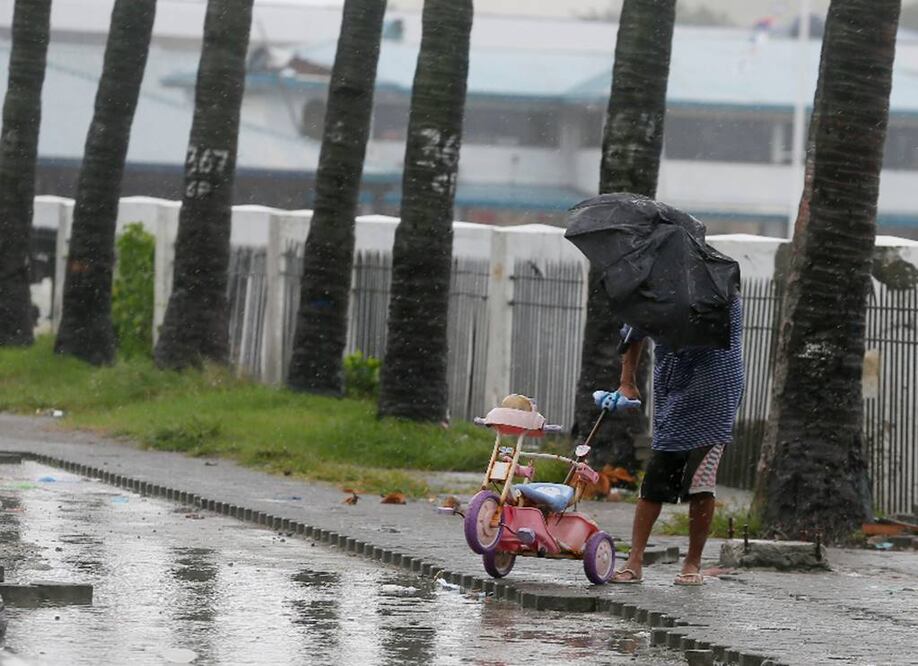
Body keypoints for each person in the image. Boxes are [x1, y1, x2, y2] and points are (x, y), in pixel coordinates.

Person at [593, 294, 744, 586]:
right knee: (657, 477)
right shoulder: (658, 287)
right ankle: (634, 561)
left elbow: (708, 330)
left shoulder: (722, 288)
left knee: (701, 480)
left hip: (718, 389)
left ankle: (692, 563)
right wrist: (627, 383)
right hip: (675, 392)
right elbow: (634, 329)